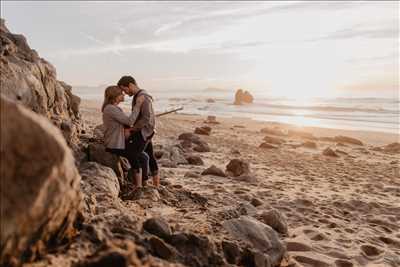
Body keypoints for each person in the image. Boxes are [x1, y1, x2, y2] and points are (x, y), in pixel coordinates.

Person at [101, 85, 148, 190]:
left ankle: (144, 183)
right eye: (121, 93)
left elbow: (126, 123)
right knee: (134, 155)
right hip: (114, 144)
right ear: (115, 96)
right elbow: (129, 121)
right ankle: (138, 187)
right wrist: (138, 105)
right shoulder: (110, 109)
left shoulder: (114, 108)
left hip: (120, 142)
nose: (124, 94)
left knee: (144, 157)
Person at [117, 75, 160, 187]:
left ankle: (141, 184)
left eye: (124, 89)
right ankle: (156, 185)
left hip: (144, 131)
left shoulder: (143, 96)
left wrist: (131, 129)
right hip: (146, 130)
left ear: (130, 85)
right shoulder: (138, 96)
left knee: (133, 154)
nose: (125, 93)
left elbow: (146, 118)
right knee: (150, 156)